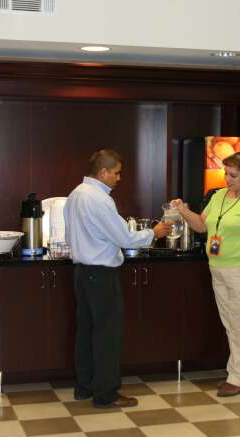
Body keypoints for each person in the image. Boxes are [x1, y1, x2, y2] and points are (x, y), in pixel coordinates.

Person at [65, 149, 172, 408]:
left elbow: (71, 235)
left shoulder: (75, 194)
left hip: (82, 272)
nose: (119, 178)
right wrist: (153, 233)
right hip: (102, 274)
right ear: (103, 172)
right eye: (116, 173)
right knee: (107, 336)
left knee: (86, 333)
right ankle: (106, 394)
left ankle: (84, 387)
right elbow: (124, 237)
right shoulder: (99, 199)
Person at [172, 151, 240, 397]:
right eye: (225, 173)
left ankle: (237, 378)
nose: (228, 179)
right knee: (231, 324)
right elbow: (201, 225)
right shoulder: (218, 196)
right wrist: (183, 210)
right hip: (218, 268)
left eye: (233, 175)